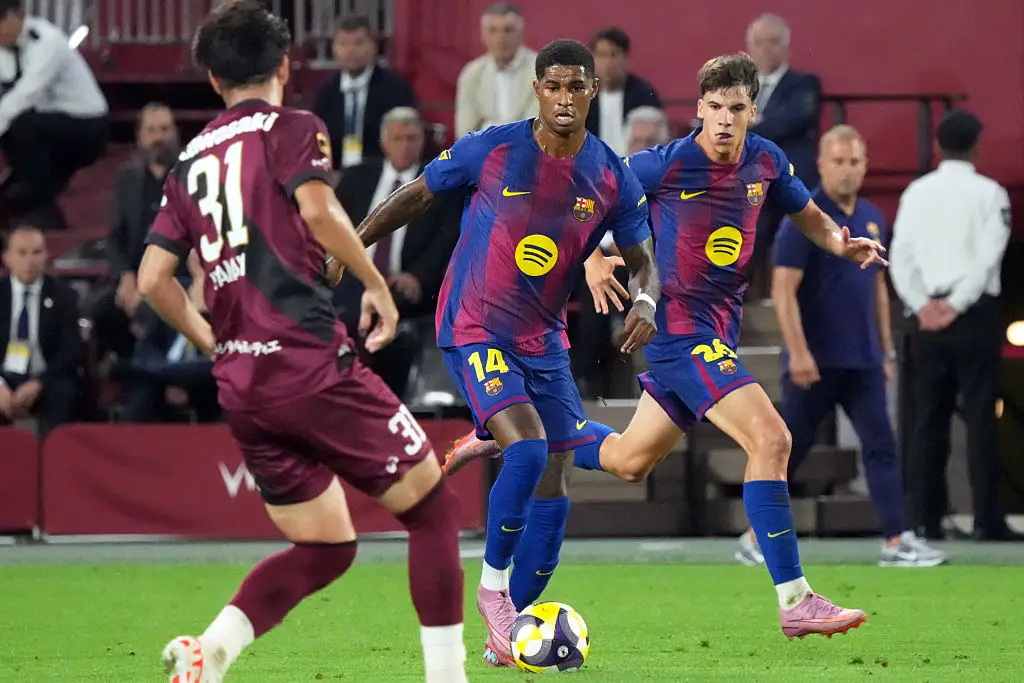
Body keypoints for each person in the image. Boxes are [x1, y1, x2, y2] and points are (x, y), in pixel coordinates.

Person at [447, 53, 887, 640]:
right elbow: (594, 197)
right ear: (698, 110)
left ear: (753, 110)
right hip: (681, 332)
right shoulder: (665, 163)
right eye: (714, 108)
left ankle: (498, 433)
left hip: (719, 329)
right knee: (772, 437)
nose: (725, 120)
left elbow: (807, 215)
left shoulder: (767, 161)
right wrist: (599, 258)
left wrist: (839, 242)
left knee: (629, 460)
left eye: (736, 108)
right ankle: (795, 599)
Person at [137, 4, 467, 682]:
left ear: (211, 78)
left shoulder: (188, 161)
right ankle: (448, 677)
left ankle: (210, 651)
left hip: (244, 388)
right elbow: (317, 209)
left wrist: (212, 341)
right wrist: (374, 281)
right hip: (309, 364)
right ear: (286, 64)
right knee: (434, 510)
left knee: (325, 546)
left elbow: (151, 278)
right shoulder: (293, 127)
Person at [355, 39, 659, 666]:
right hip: (474, 324)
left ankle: (505, 641)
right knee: (531, 445)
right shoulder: (492, 148)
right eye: (555, 86)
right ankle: (493, 592)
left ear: (593, 91)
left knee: (555, 485)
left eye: (578, 86)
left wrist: (645, 301)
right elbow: (418, 193)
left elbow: (644, 259)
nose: (566, 97)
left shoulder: (610, 175)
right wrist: (354, 249)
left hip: (544, 340)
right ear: (538, 90)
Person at [734, 124, 945, 567]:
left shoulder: (871, 215)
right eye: (839, 161)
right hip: (816, 360)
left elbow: (878, 288)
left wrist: (884, 349)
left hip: (863, 359)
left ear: (865, 165)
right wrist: (799, 351)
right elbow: (784, 289)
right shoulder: (806, 219)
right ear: (823, 164)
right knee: (787, 448)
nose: (848, 170)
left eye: (855, 161)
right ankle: (755, 535)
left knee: (881, 445)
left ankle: (895, 540)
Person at [889, 109, 1019, 541]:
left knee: (928, 418)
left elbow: (901, 254)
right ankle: (987, 519)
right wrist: (958, 304)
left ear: (939, 145)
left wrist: (923, 305)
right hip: (974, 315)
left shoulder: (916, 193)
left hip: (927, 319)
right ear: (976, 145)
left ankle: (924, 519)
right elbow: (988, 256)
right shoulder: (991, 193)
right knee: (981, 417)